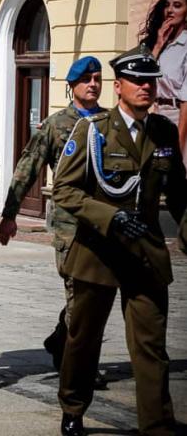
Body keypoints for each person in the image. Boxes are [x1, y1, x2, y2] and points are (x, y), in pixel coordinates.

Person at [53, 49, 187, 436]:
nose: (146, 87)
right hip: (98, 252)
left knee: (150, 345)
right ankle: (73, 407)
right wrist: (110, 217)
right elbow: (63, 189)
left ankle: (157, 424)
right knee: (84, 339)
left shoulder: (162, 132)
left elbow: (179, 193)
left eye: (151, 81)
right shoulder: (93, 130)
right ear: (119, 87)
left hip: (144, 253)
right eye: (138, 81)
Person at [0, 56, 106, 377]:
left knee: (95, 293)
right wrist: (10, 214)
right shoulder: (56, 125)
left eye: (98, 78)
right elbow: (26, 168)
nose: (93, 84)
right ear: (71, 86)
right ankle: (80, 365)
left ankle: (62, 339)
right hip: (70, 224)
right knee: (78, 289)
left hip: (104, 223)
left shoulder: (111, 123)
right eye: (86, 79)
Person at [141, 0, 187, 164]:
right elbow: (140, 76)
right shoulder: (160, 43)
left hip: (179, 120)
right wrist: (158, 45)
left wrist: (179, 146)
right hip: (154, 116)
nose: (169, 10)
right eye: (167, 5)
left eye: (177, 5)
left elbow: (186, 103)